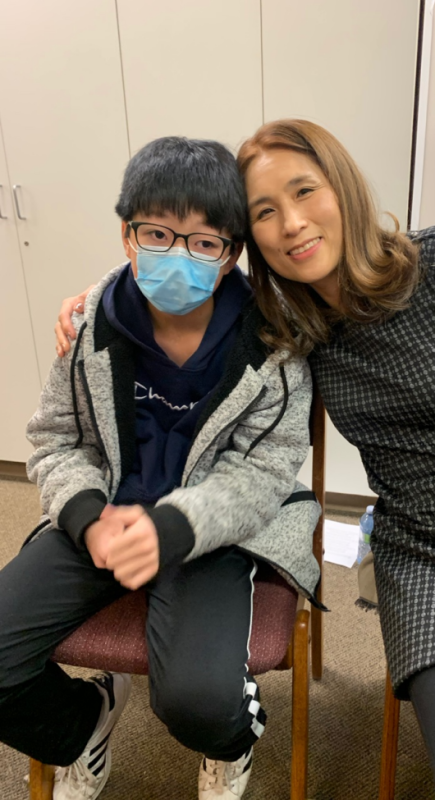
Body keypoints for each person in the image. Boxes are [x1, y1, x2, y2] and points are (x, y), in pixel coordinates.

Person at [55, 120, 435, 799]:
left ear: (342, 187)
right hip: (433, 556)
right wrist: (96, 302)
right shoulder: (286, 326)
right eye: (264, 212)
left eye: (304, 190)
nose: (291, 223)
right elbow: (181, 280)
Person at [3, 135, 320, 800]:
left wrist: (174, 527)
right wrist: (87, 517)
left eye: (204, 242)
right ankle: (83, 725)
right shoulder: (89, 326)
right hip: (103, 517)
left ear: (232, 253)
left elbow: (264, 472)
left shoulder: (273, 343)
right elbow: (55, 440)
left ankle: (232, 747)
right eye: (157, 234)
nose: (178, 256)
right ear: (127, 234)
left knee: (199, 703)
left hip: (208, 535)